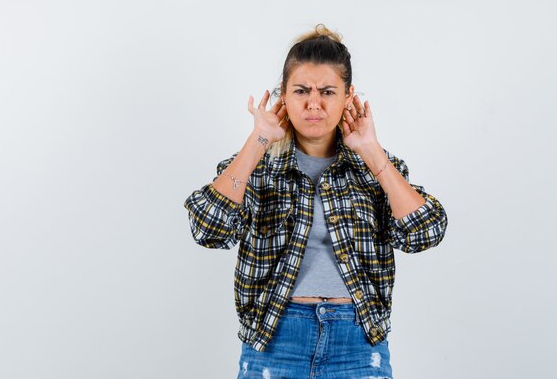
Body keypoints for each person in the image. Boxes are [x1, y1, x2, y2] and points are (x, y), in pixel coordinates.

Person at [183, 24, 448, 379]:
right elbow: (206, 229)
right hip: (274, 339)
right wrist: (258, 140)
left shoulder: (376, 169)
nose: (313, 103)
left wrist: (371, 150)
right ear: (283, 96)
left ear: (348, 96)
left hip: (356, 341)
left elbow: (425, 233)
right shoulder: (259, 168)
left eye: (327, 91)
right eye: (301, 91)